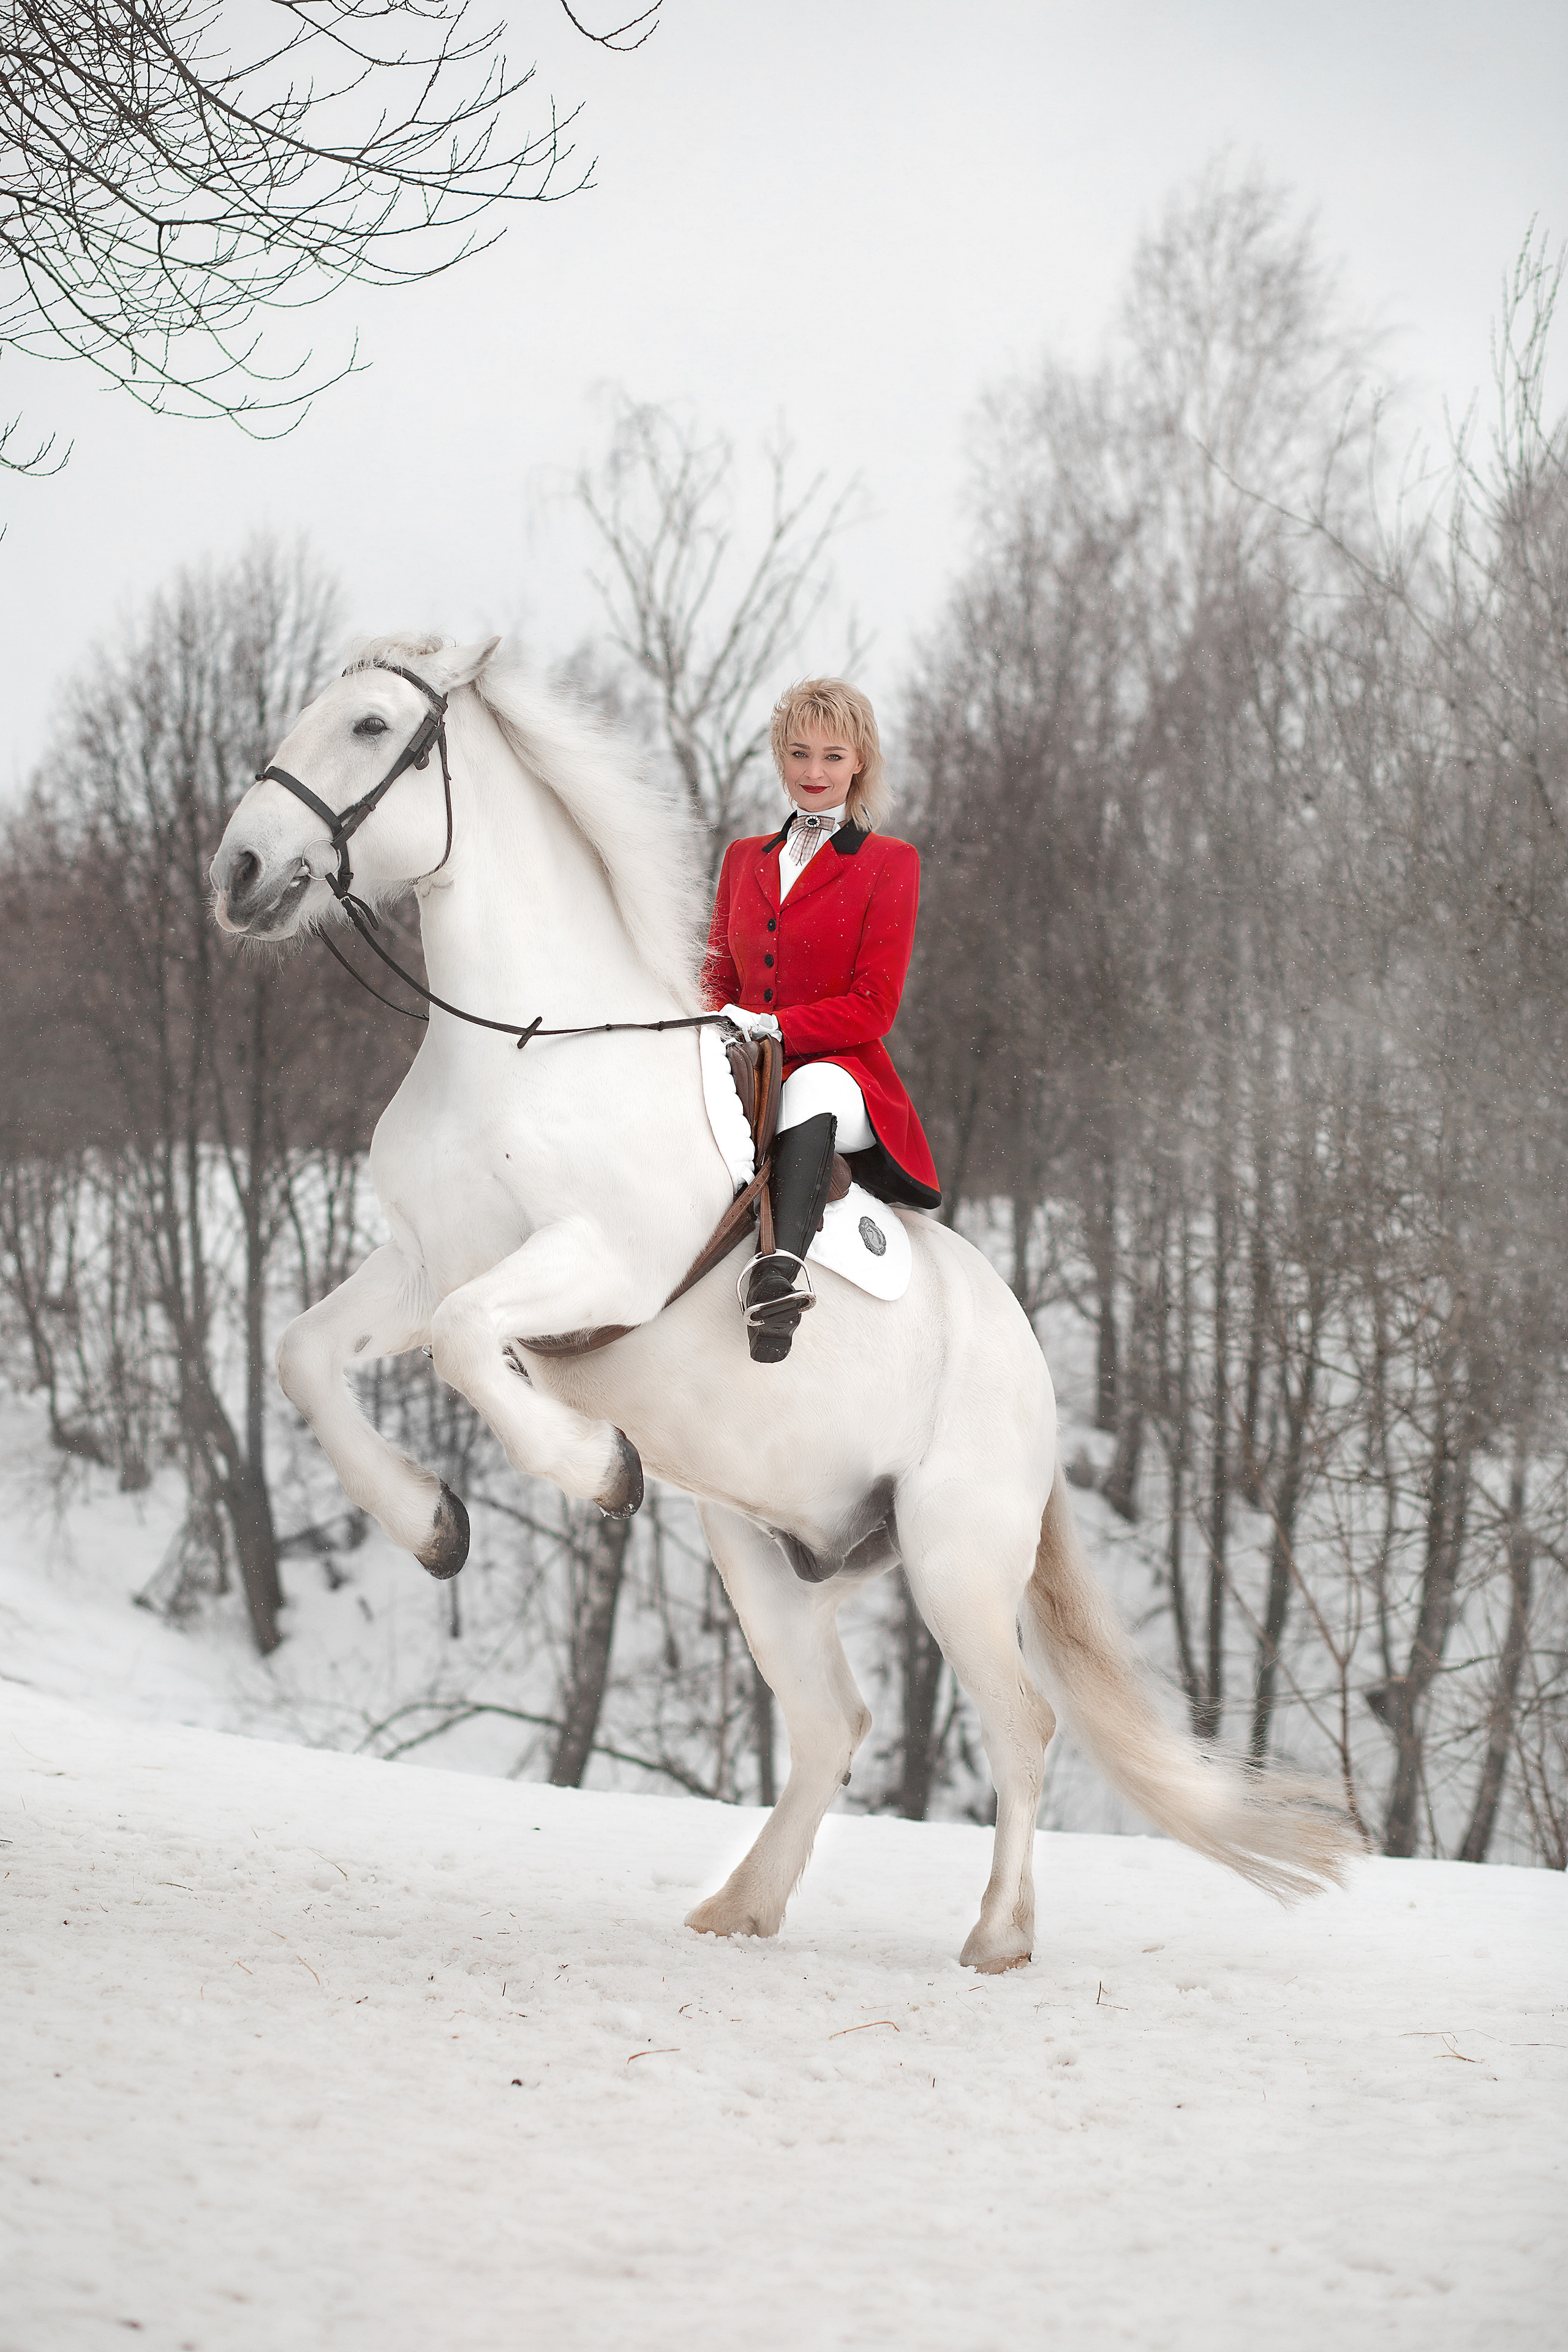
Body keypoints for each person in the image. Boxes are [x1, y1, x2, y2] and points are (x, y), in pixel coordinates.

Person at [703, 677, 941, 1364]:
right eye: (800, 754)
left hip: (842, 1070)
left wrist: (775, 1028)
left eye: (833, 756)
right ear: (779, 757)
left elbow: (875, 1006)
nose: (814, 773)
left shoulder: (890, 863)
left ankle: (778, 1277)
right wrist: (711, 1023)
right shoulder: (743, 858)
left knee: (808, 1094)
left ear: (859, 761)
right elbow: (718, 975)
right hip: (743, 1052)